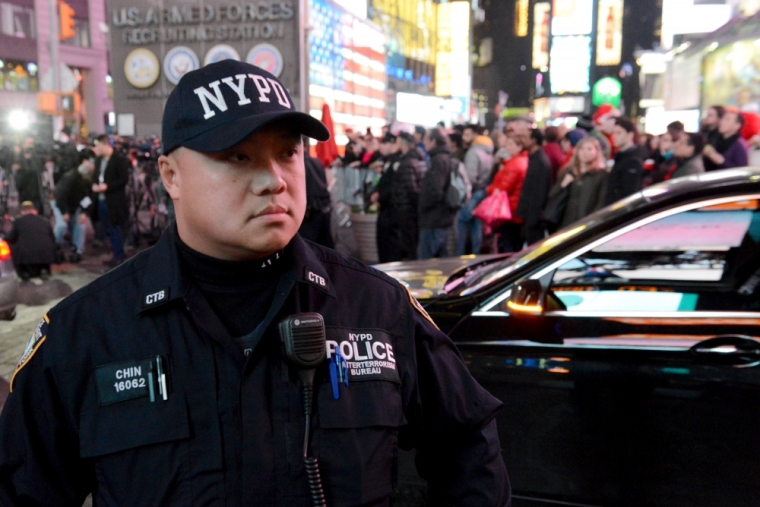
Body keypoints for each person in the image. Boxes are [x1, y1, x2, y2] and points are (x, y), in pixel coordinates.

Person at [0, 60, 510, 506]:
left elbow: (468, 446)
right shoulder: (85, 331)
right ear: (171, 176)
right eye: (238, 157)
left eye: (288, 153)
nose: (275, 179)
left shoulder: (377, 308)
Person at [91, 134, 131, 266]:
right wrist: (95, 185)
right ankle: (116, 253)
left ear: (105, 145)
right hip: (101, 200)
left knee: (115, 228)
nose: (96, 148)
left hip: (114, 201)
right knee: (107, 228)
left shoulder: (119, 160)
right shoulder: (98, 161)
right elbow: (95, 177)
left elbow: (123, 180)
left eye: (98, 145)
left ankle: (118, 256)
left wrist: (107, 186)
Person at [418, 128, 457, 259]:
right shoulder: (445, 158)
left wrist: (423, 205)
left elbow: (435, 190)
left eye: (426, 139)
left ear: (433, 141)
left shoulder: (438, 160)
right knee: (441, 260)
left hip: (434, 219)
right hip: (441, 217)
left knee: (426, 262)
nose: (424, 142)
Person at [52, 149, 96, 262]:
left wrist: (85, 212)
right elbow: (60, 196)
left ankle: (77, 251)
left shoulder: (90, 178)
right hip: (60, 203)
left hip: (75, 205)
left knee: (80, 225)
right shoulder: (71, 176)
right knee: (61, 225)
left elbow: (90, 197)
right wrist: (64, 212)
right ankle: (52, 248)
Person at [456, 124, 494, 255]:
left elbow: (470, 177)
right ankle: (476, 255)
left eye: (467, 135)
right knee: (477, 225)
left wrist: (465, 193)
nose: (464, 138)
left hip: (473, 192)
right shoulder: (488, 149)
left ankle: (460, 255)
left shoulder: (473, 152)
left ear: (475, 135)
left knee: (462, 220)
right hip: (483, 191)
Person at [487, 136, 528, 252]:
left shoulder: (515, 164)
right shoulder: (520, 161)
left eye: (511, 144)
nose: (507, 147)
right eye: (507, 144)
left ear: (519, 147)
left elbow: (503, 188)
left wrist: (489, 189)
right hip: (514, 208)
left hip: (509, 210)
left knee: (508, 245)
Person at [557, 137, 609, 227]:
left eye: (589, 149)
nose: (585, 152)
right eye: (582, 148)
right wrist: (563, 185)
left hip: (588, 224)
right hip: (566, 223)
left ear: (596, 152)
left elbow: (602, 201)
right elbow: (553, 196)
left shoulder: (601, 175)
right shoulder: (569, 171)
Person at [392, 132, 426, 260]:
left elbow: (411, 188)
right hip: (412, 208)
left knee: (410, 242)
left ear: (403, 144)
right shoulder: (420, 159)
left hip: (406, 208)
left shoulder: (407, 162)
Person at [516, 128, 552, 246]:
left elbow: (538, 193)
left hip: (534, 219)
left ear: (534, 140)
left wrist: (532, 220)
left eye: (525, 138)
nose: (522, 141)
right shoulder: (534, 159)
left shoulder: (540, 161)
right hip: (530, 217)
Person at [5, 201, 56, 281]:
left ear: (22, 212)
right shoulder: (45, 221)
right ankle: (44, 270)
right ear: (35, 211)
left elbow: (11, 238)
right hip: (46, 258)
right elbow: (53, 240)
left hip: (27, 260)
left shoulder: (18, 222)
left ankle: (25, 274)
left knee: (12, 247)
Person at [372, 132, 401, 263]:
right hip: (385, 209)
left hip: (392, 212)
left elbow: (393, 187)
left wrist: (381, 198)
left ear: (393, 144)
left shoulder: (397, 162)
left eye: (384, 143)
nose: (381, 147)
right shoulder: (386, 161)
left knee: (390, 249)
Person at [298, 150, 334, 249]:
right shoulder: (316, 161)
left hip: (310, 208)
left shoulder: (299, 163)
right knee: (325, 243)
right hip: (323, 205)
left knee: (309, 245)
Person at [605, 118, 644, 205]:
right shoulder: (620, 156)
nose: (614, 136)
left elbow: (629, 194)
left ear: (630, 135)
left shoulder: (633, 160)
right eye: (613, 133)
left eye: (619, 133)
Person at [700, 105, 725, 171]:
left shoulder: (721, 136)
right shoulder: (703, 132)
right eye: (707, 115)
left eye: (710, 115)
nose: (706, 117)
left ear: (719, 118)